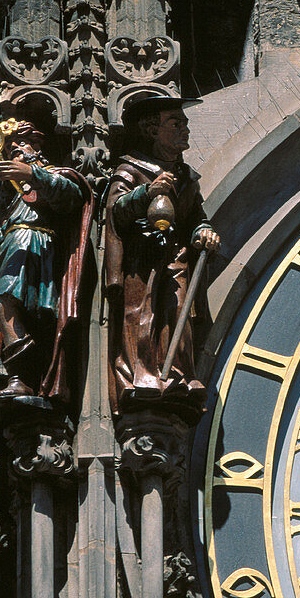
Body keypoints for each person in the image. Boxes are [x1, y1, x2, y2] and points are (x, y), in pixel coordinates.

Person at [0, 119, 92, 403]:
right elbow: (5, 235)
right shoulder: (18, 195)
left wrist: (32, 173)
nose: (14, 150)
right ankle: (23, 377)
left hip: (38, 251)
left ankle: (24, 373)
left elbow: (71, 197)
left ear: (38, 148)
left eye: (21, 145)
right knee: (6, 307)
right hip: (15, 251)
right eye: (11, 148)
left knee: (5, 302)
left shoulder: (55, 176)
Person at [104, 96, 221, 418]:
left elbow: (195, 216)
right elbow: (116, 211)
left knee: (180, 312)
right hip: (142, 261)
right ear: (152, 130)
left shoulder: (185, 177)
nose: (185, 129)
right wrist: (147, 192)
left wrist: (203, 232)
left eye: (184, 123)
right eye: (176, 123)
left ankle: (179, 374)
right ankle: (143, 374)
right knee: (143, 316)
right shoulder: (131, 168)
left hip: (175, 257)